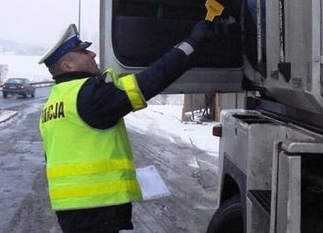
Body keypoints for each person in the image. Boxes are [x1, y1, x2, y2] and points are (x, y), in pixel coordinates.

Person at [38, 20, 213, 233]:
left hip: (71, 210)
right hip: (100, 209)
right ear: (67, 66)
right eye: (84, 52)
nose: (92, 55)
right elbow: (152, 79)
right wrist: (191, 44)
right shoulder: (89, 97)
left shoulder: (52, 104)